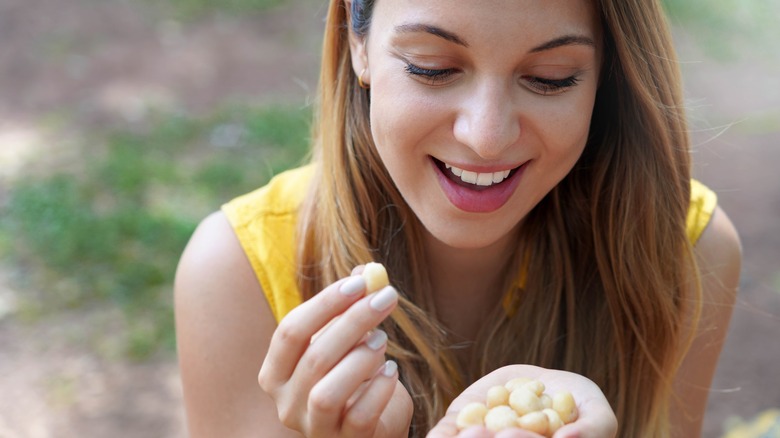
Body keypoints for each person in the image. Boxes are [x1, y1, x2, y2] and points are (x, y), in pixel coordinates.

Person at [174, 0, 742, 436]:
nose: (487, 137)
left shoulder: (685, 251)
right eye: (433, 68)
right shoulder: (236, 273)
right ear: (358, 40)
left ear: (606, 76)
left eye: (550, 77)